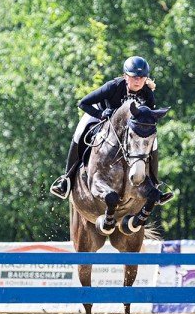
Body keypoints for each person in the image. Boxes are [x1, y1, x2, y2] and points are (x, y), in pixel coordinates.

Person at [50, 56, 174, 205]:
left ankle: (154, 184)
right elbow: (83, 103)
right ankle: (66, 180)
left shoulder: (147, 93)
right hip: (100, 114)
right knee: (79, 132)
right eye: (134, 77)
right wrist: (101, 114)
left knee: (153, 143)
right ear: (125, 76)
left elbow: (148, 118)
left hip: (128, 129)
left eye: (141, 78)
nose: (137, 81)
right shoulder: (113, 86)